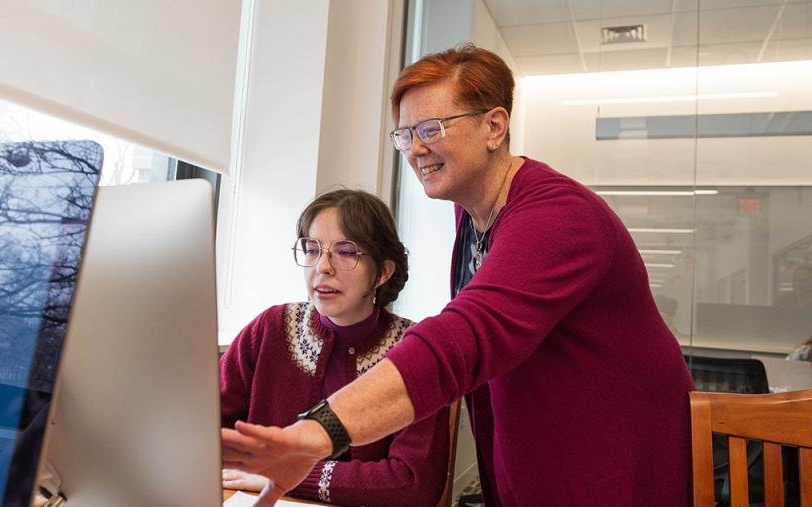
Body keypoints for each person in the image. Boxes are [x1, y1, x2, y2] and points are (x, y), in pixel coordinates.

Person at [222, 43, 696, 507]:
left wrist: (312, 436)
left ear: (495, 126)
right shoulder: (473, 217)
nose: (415, 150)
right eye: (405, 135)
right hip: (535, 453)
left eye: (431, 128)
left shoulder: (558, 215)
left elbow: (467, 335)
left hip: (609, 455)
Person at [219, 189, 450, 507]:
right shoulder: (269, 328)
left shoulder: (415, 350)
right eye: (312, 250)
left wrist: (289, 475)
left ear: (382, 272)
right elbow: (207, 428)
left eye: (345, 252)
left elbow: (412, 483)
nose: (322, 267)